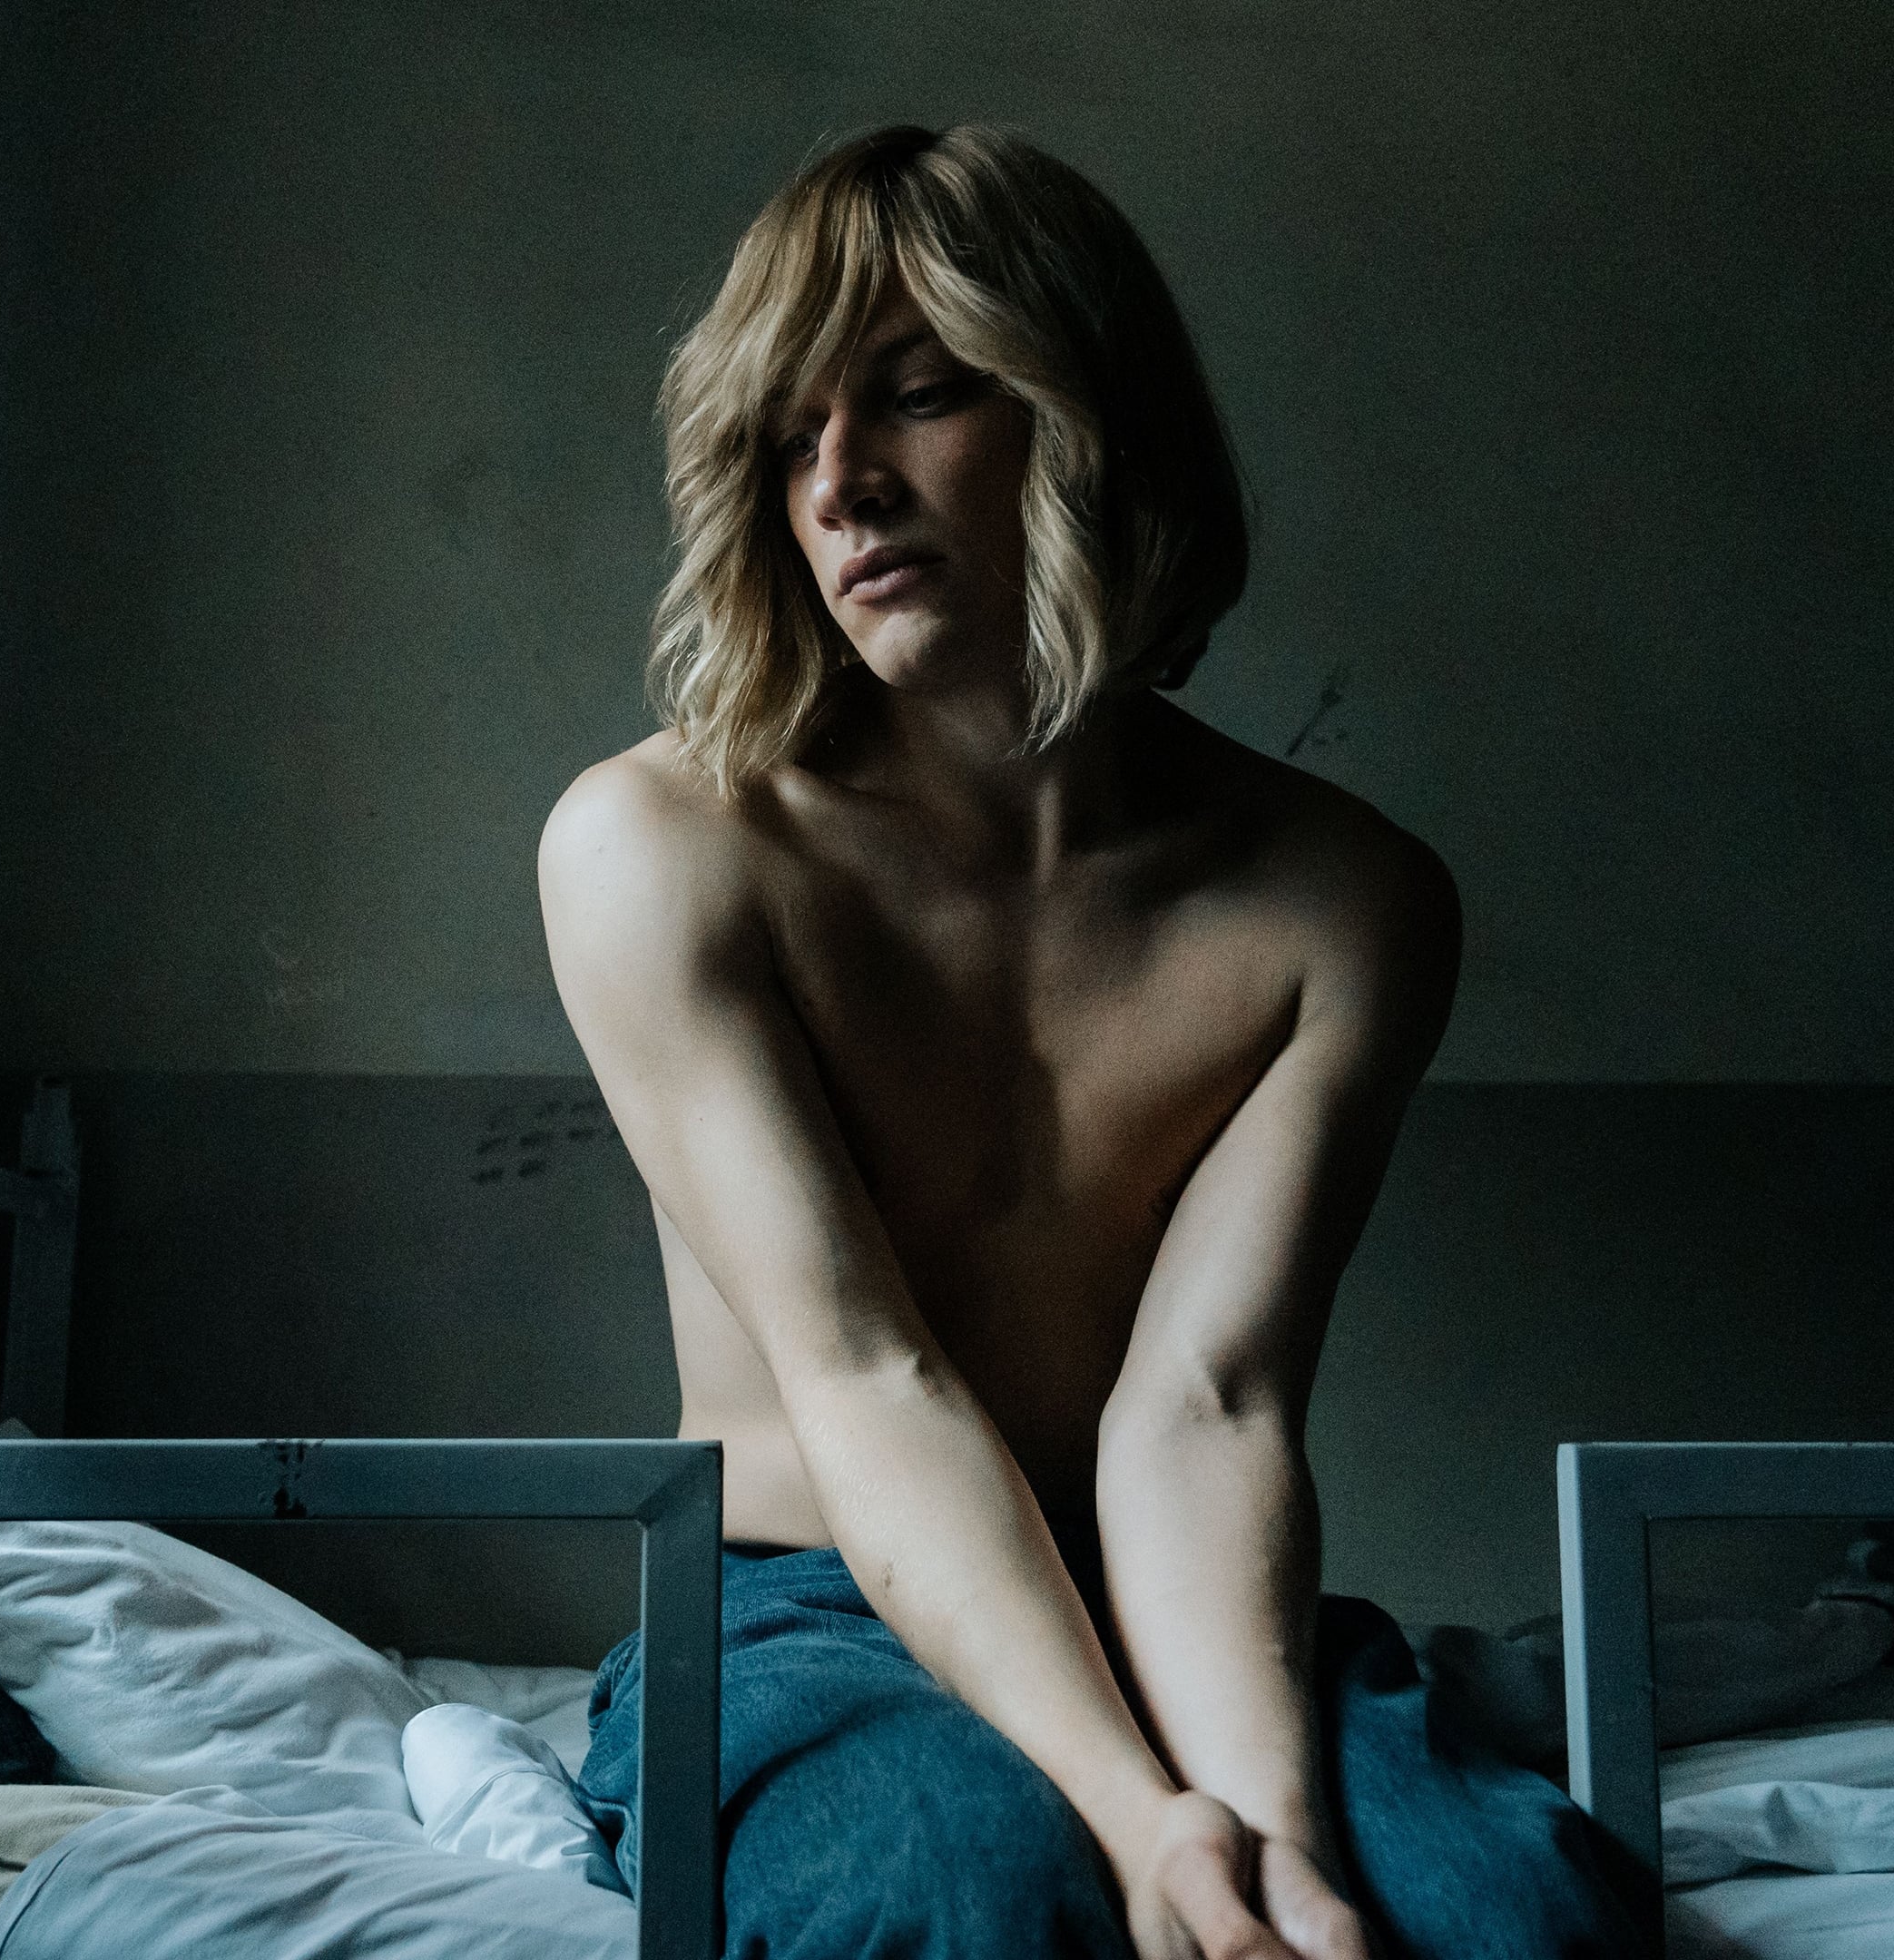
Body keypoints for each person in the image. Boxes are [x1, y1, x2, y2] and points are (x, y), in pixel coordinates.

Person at [544, 125, 1638, 1960]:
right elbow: (866, 1378)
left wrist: (1263, 1852)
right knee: (967, 1895)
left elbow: (1207, 1406)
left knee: (1504, 1914)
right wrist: (1139, 1823)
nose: (842, 484)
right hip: (802, 1612)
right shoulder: (662, 849)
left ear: (1091, 423)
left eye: (918, 397)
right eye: (790, 433)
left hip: (1173, 1603)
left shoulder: (1341, 904)